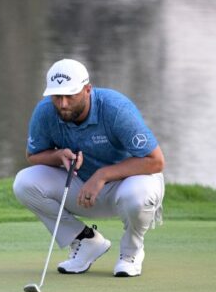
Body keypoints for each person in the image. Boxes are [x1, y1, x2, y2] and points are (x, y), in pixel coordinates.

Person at [13, 59, 165, 277]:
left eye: (70, 95)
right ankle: (85, 241)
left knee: (138, 194)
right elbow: (33, 156)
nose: (63, 104)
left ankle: (131, 251)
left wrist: (102, 175)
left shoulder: (115, 109)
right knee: (24, 183)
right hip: (80, 188)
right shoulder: (46, 112)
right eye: (57, 96)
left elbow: (156, 161)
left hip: (126, 186)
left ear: (87, 90)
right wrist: (58, 156)